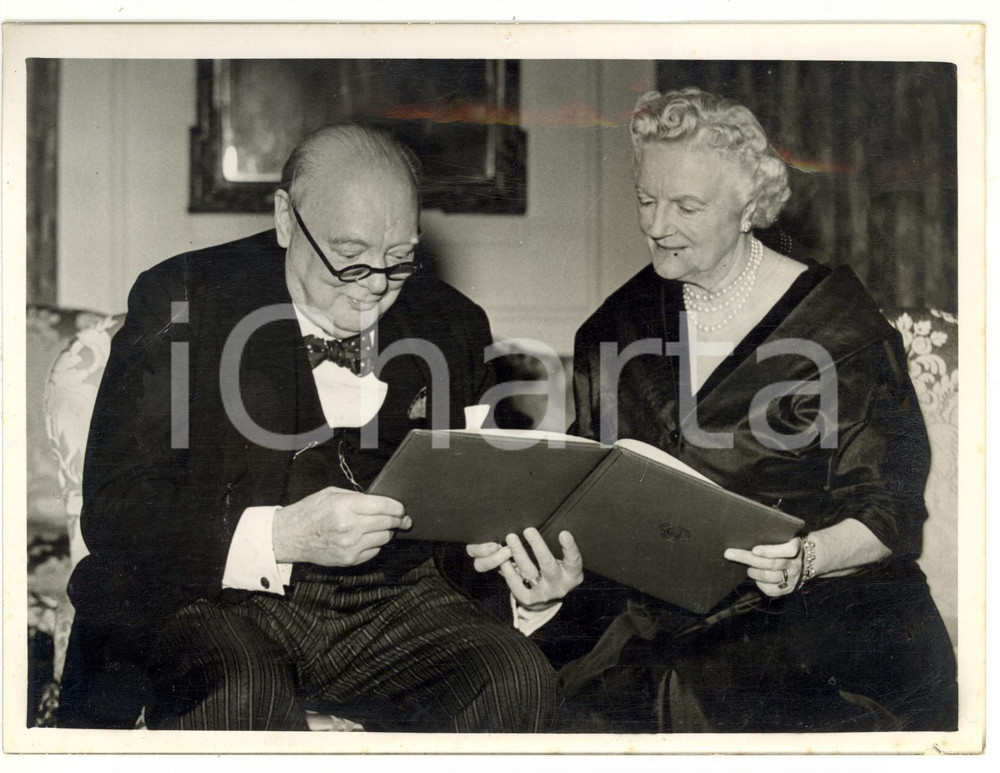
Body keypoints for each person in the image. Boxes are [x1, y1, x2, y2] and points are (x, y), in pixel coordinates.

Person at [464, 87, 958, 732]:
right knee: (510, 686)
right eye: (646, 199)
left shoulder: (841, 328)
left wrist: (804, 559)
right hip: (659, 618)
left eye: (687, 206)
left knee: (698, 692)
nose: (656, 225)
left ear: (749, 208)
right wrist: (554, 573)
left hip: (822, 618)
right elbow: (592, 495)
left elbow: (890, 511)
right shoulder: (615, 328)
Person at [58, 124, 559, 731]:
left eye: (399, 259)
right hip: (209, 599)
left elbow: (473, 521)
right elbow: (117, 510)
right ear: (286, 219)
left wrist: (525, 580)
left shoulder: (453, 321)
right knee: (243, 689)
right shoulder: (183, 298)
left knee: (515, 677)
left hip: (393, 606)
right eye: (349, 259)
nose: (376, 287)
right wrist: (279, 537)